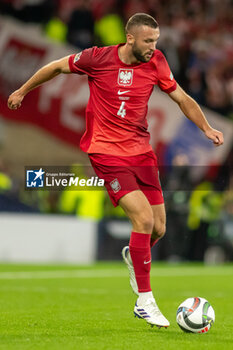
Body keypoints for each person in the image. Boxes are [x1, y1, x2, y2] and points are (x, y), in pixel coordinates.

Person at [8, 13, 224, 328]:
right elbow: (54, 66)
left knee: (158, 228)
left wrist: (206, 127)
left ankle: (133, 255)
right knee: (144, 219)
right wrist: (22, 91)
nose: (153, 47)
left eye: (156, 41)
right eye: (148, 41)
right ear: (131, 38)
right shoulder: (98, 58)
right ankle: (145, 301)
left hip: (142, 153)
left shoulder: (157, 62)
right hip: (106, 152)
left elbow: (181, 97)